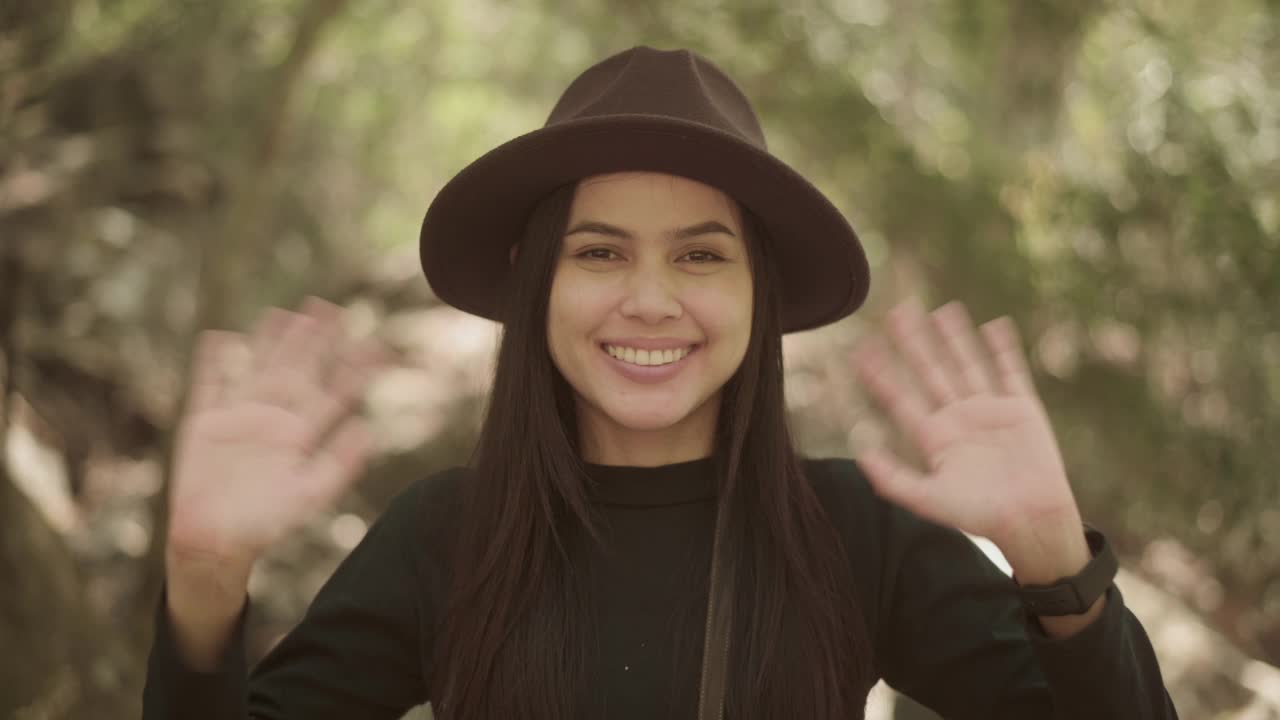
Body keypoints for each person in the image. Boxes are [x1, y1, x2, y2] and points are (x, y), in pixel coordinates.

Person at [142, 46, 1179, 719]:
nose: (648, 301)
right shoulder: (445, 537)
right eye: (598, 254)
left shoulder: (856, 529)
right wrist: (203, 579)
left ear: (758, 296)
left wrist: (1051, 557)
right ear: (535, 284)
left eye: (698, 256)